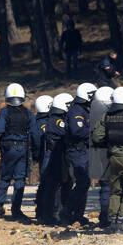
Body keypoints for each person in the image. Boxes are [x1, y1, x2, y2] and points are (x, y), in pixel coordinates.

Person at [92, 87, 123, 233]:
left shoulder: (107, 115)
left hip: (113, 158)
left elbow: (96, 137)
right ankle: (122, 224)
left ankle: (112, 223)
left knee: (115, 192)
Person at [0, 83, 36, 221]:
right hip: (23, 149)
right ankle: (16, 210)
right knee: (20, 179)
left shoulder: (4, 112)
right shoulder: (28, 113)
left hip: (9, 149)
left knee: (5, 178)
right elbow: (35, 133)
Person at [60, 82, 97, 225]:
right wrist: (93, 132)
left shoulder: (85, 109)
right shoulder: (77, 111)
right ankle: (67, 211)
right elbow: (77, 131)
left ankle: (77, 214)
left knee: (85, 182)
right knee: (83, 182)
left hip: (83, 150)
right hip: (77, 150)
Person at [40, 92, 74, 225]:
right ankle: (51, 214)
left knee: (62, 184)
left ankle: (57, 213)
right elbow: (65, 132)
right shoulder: (56, 121)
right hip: (55, 156)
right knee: (54, 186)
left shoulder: (54, 119)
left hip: (58, 156)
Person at [89, 86, 114, 228]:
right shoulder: (114, 114)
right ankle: (111, 217)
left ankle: (105, 217)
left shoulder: (93, 114)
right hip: (112, 153)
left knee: (105, 187)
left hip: (98, 153)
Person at [32, 95, 53, 222]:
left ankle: (40, 211)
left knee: (43, 184)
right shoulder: (45, 124)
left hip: (41, 156)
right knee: (47, 184)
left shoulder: (36, 122)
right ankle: (44, 212)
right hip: (46, 156)